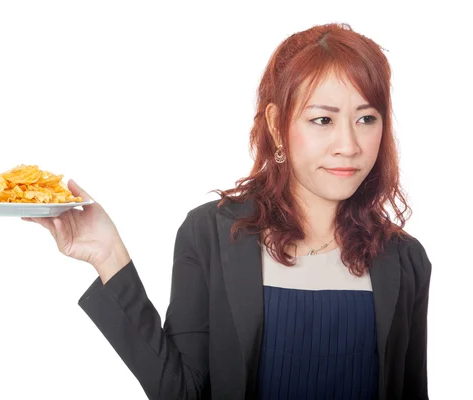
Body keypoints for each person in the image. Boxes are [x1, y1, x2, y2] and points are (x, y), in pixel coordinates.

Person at [22, 22, 432, 400]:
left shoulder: (405, 259)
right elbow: (182, 391)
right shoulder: (210, 236)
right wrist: (108, 255)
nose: (349, 144)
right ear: (276, 125)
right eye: (323, 119)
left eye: (366, 118)